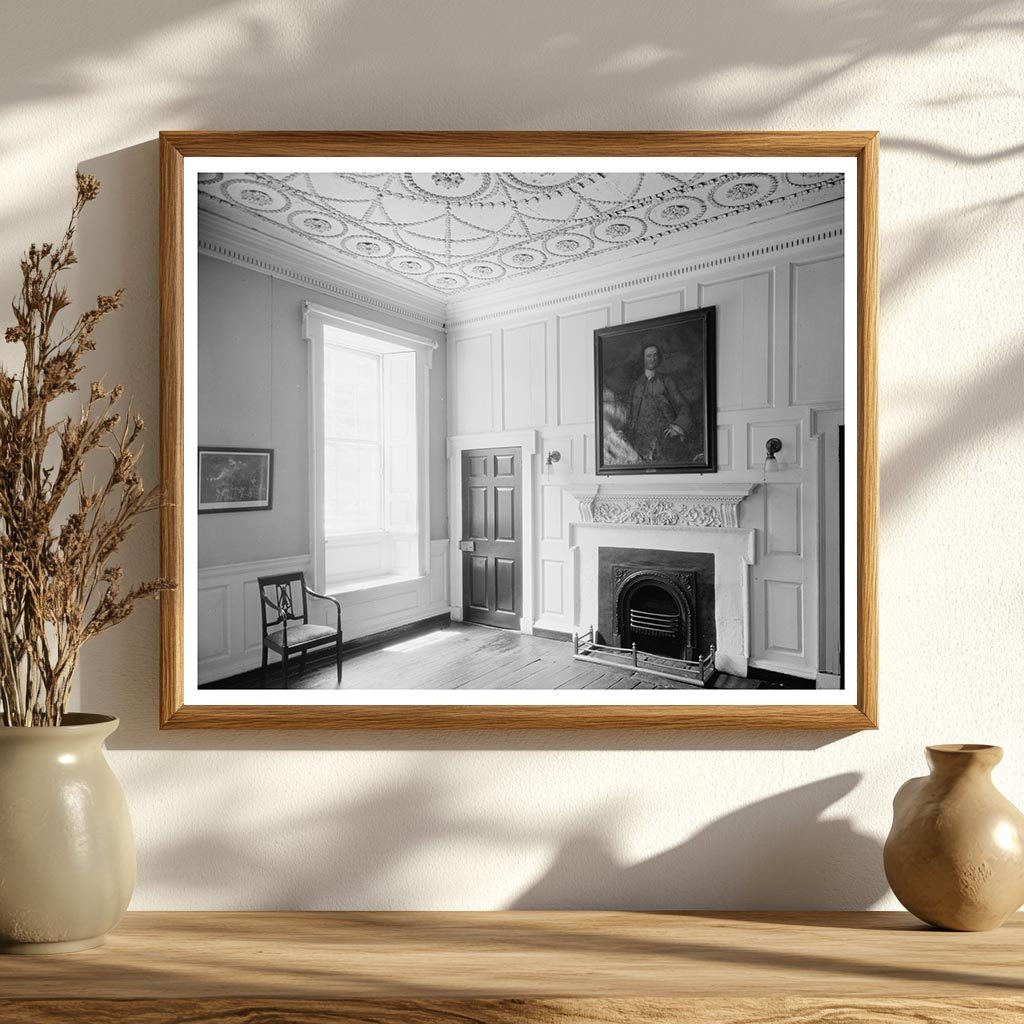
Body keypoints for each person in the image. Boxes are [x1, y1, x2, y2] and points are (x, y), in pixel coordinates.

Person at [626, 343, 696, 463]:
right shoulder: (636, 385)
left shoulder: (666, 380)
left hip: (663, 440)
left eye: (655, 355)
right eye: (649, 356)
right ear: (642, 358)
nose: (652, 358)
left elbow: (683, 406)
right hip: (639, 443)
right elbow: (630, 414)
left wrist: (678, 427)